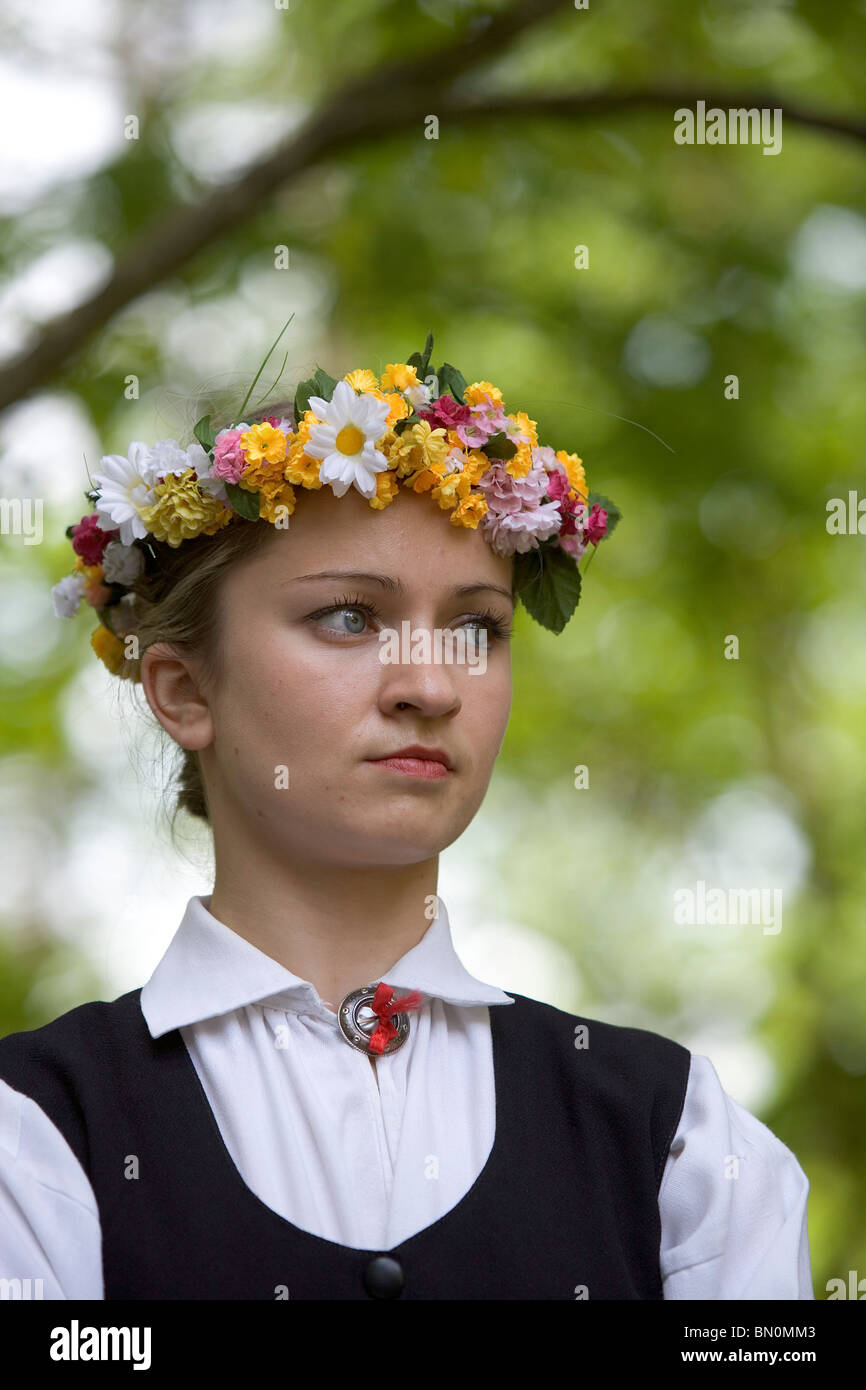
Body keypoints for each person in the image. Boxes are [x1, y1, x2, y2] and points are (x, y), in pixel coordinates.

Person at [0, 339, 812, 1299]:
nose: (431, 685)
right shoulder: (35, 1137)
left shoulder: (685, 1146)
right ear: (182, 690)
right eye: (349, 616)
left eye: (478, 629)